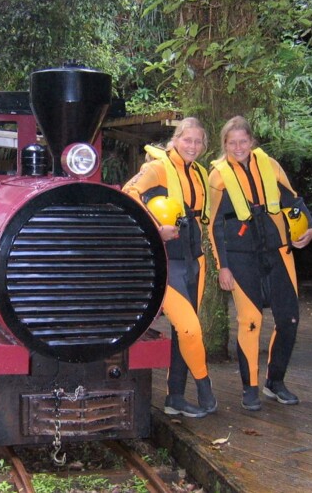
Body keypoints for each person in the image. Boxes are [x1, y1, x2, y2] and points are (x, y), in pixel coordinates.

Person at [208, 116, 312, 411]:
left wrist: (311, 226)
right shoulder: (217, 177)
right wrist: (223, 266)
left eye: (243, 141)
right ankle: (250, 387)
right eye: (232, 143)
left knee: (289, 319)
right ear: (225, 145)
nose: (239, 147)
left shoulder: (270, 166)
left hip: (279, 252)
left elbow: (294, 200)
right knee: (250, 321)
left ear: (252, 141)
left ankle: (275, 382)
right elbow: (214, 226)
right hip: (241, 258)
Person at [123, 117, 217, 418]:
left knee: (183, 333)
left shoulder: (200, 173)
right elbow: (128, 194)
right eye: (186, 139)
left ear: (204, 146)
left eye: (197, 141)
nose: (192, 146)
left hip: (194, 262)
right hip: (166, 262)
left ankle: (175, 397)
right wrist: (155, 228)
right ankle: (205, 386)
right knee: (190, 327)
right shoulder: (157, 168)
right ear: (175, 140)